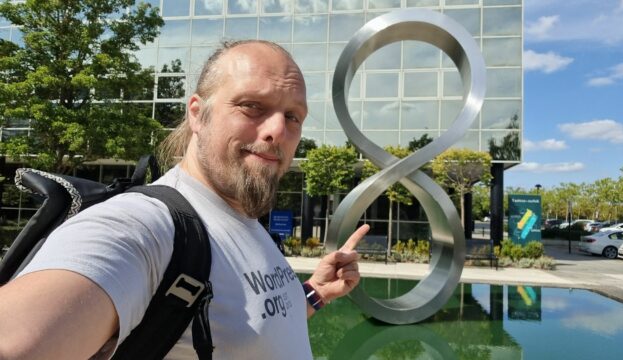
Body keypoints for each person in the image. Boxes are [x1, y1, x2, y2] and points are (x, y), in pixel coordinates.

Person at [0, 40, 369, 359]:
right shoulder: (144, 225)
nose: (278, 130)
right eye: (252, 106)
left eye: (293, 116)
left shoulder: (243, 221)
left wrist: (317, 292)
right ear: (197, 113)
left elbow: (249, 328)